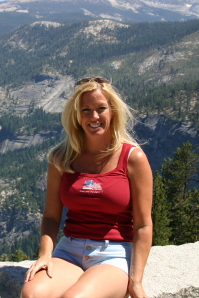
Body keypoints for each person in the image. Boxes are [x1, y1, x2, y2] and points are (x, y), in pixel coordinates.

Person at [21, 78, 153, 298]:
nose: (94, 117)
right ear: (77, 116)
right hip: (69, 251)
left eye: (101, 108)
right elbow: (52, 217)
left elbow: (142, 226)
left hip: (113, 254)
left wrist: (136, 281)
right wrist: (45, 254)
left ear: (113, 112)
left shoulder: (132, 158)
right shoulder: (61, 158)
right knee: (32, 294)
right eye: (86, 110)